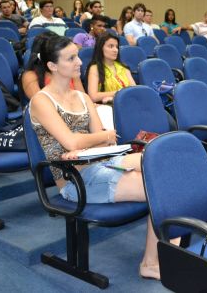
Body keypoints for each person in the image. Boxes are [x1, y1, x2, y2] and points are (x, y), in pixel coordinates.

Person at [29, 35, 164, 279]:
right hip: (74, 180)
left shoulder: (82, 97)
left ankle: (171, 253)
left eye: (77, 56)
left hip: (104, 162)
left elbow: (108, 140)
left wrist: (91, 140)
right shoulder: (41, 100)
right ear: (52, 65)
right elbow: (74, 142)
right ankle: (151, 263)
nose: (79, 62)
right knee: (160, 187)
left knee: (163, 166)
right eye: (71, 58)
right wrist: (98, 137)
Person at [21, 31, 85, 100]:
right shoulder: (30, 76)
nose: (79, 62)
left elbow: (83, 100)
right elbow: (41, 103)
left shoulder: (69, 71)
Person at [87, 32, 136, 104]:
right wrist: (119, 92)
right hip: (107, 106)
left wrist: (118, 94)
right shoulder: (94, 68)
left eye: (116, 47)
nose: (115, 50)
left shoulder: (123, 67)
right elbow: (93, 96)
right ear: (101, 48)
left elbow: (134, 90)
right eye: (111, 46)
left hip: (128, 103)